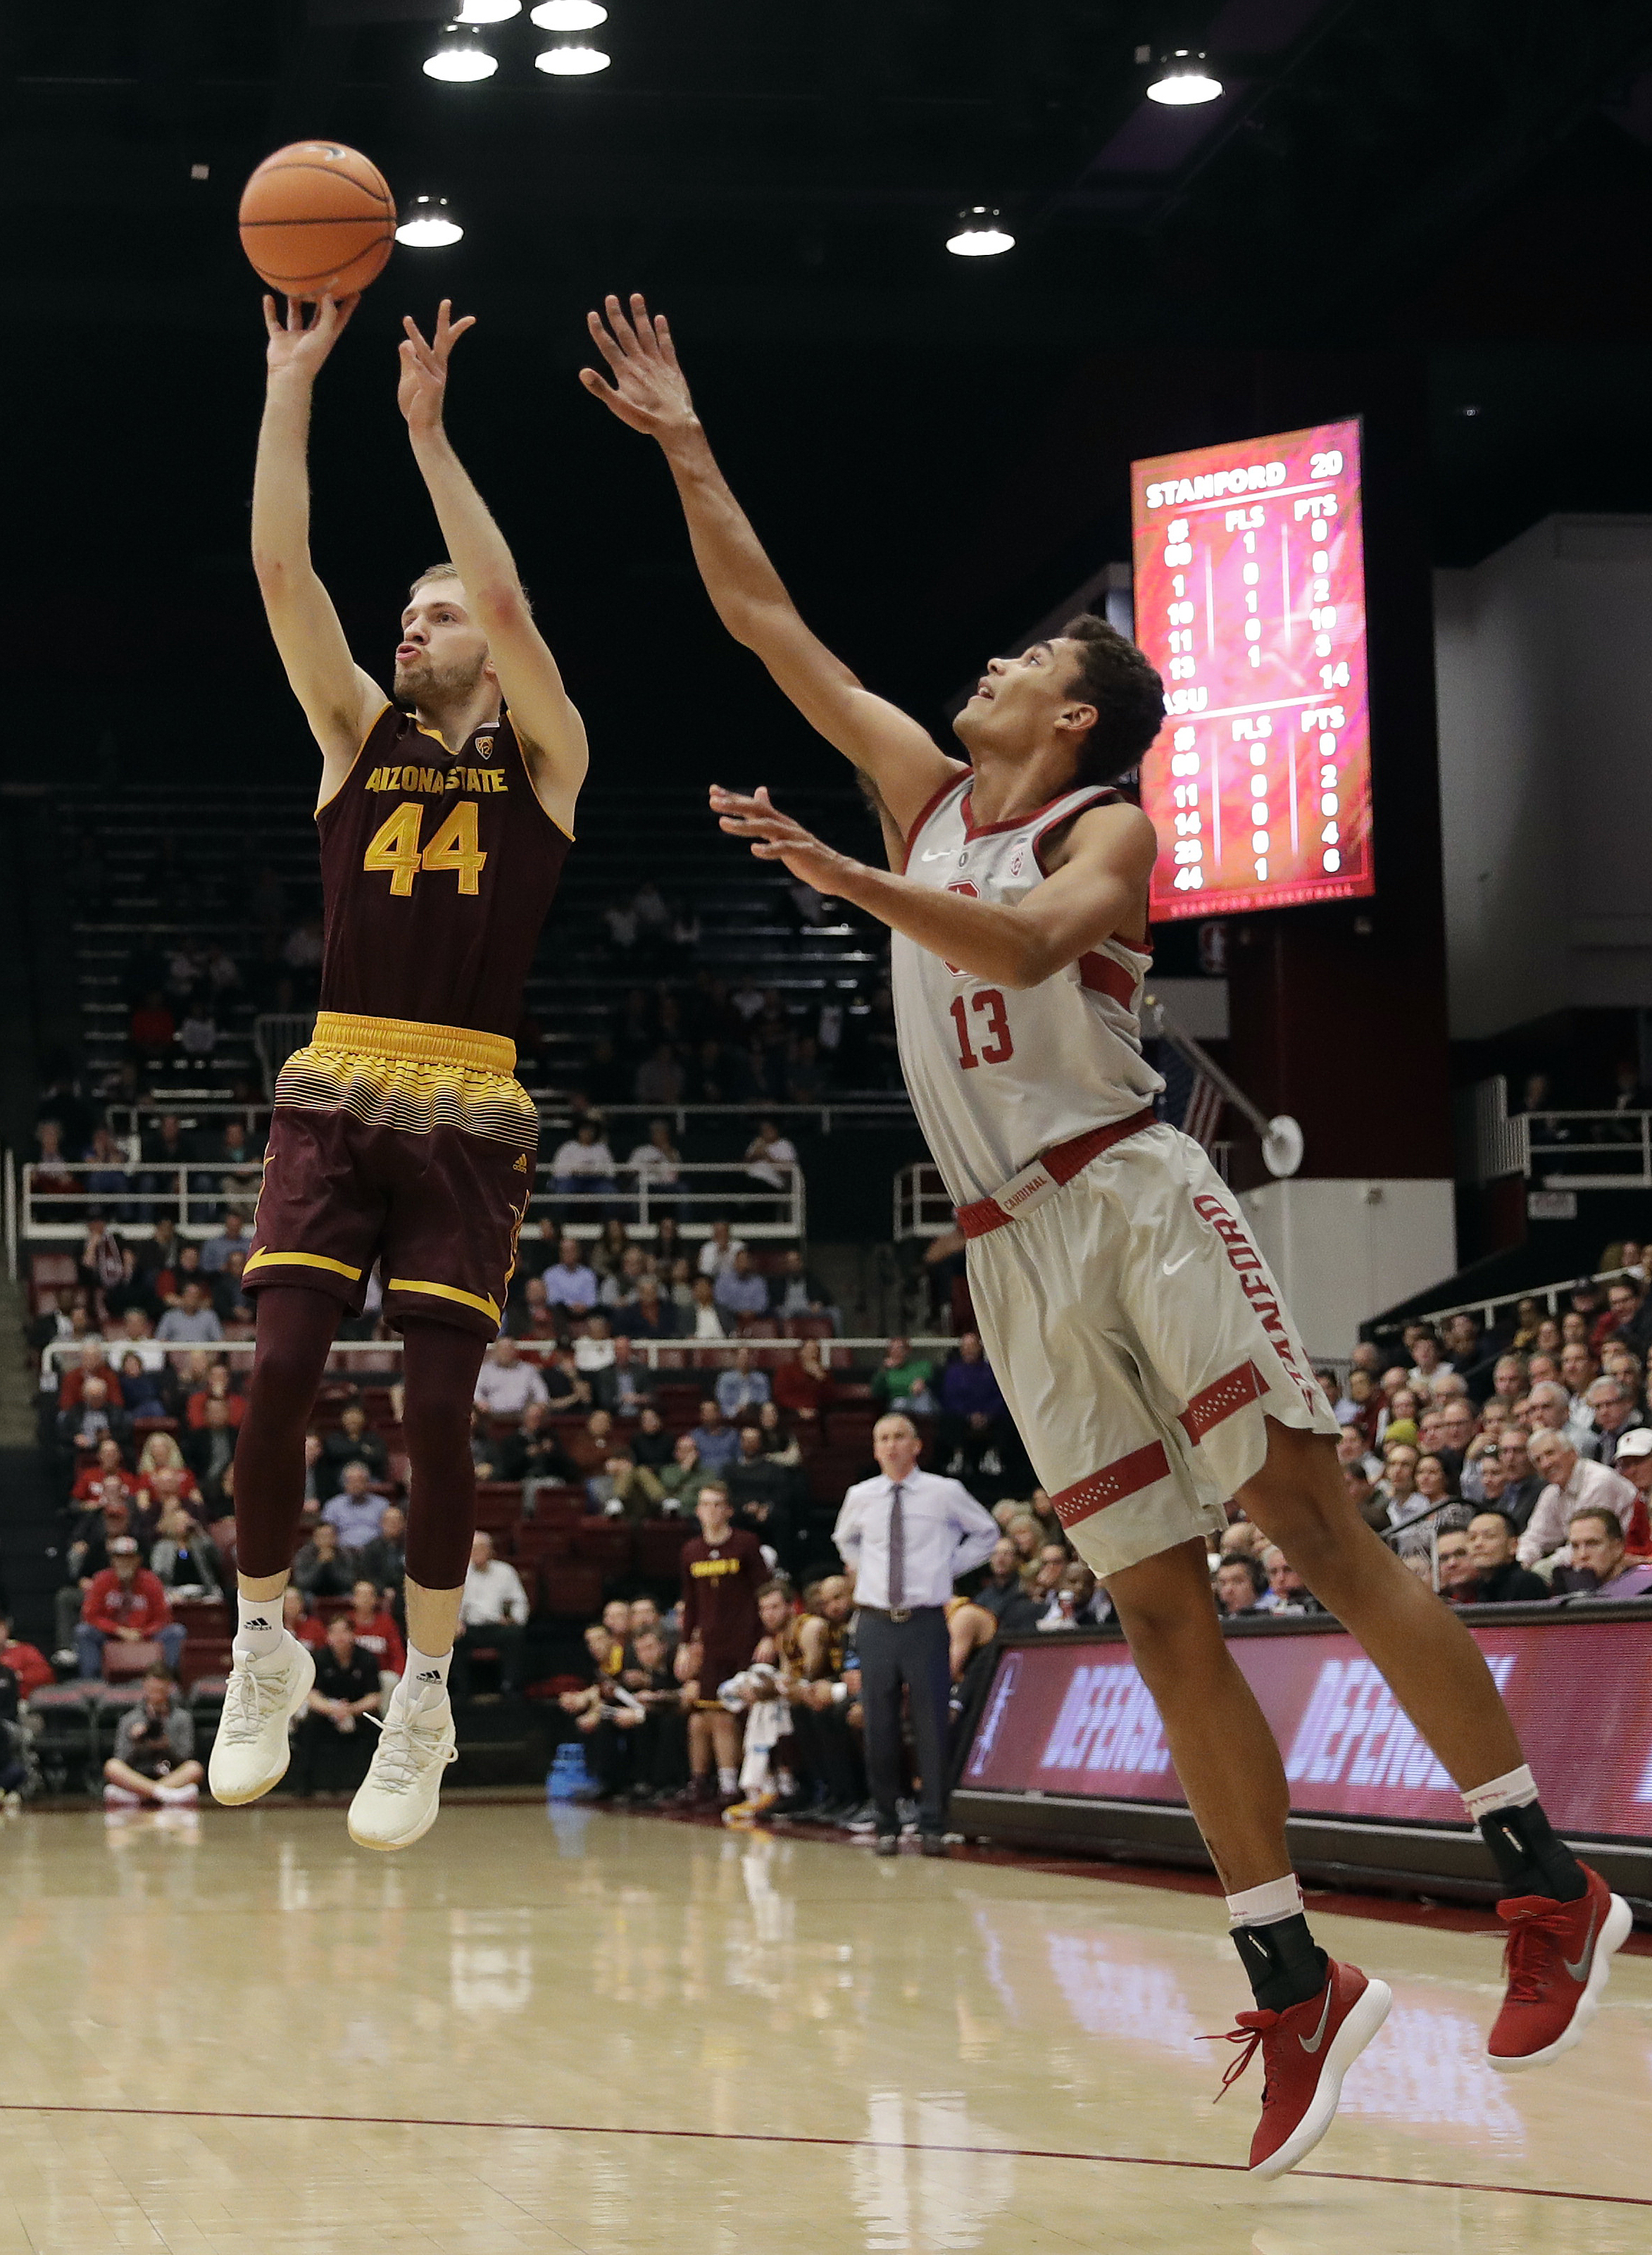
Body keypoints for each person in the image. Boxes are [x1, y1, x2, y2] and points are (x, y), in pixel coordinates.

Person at [580, 292, 1634, 2173]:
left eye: (1021, 657)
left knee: (1308, 1526)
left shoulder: (1110, 832)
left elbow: (1036, 950)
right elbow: (767, 621)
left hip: (1130, 1194)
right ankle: (1292, 1971)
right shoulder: (923, 787)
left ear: (1072, 714)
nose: (982, 665)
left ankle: (1540, 1880)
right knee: (1155, 1610)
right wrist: (682, 440)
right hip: (1006, 1253)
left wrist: (843, 879)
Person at [211, 287, 589, 1854]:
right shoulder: (352, 737)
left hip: (468, 1100)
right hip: (337, 1075)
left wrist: (431, 439)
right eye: (409, 612)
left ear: (486, 650)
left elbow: (500, 595)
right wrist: (293, 387)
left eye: (432, 615)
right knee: (279, 1378)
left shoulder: (548, 754)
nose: (408, 626)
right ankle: (262, 1645)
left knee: (439, 1413)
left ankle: (420, 1693)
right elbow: (281, 568)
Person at [831, 1413, 997, 1854]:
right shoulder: (860, 1495)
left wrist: (947, 1567)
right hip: (876, 1622)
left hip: (925, 1621)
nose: (891, 1446)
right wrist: (867, 1571)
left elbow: (987, 1532)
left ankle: (933, 1824)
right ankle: (886, 1821)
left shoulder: (945, 1492)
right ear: (874, 1448)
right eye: (882, 1438)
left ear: (916, 1445)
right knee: (878, 1726)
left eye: (899, 1437)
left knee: (931, 1724)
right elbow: (844, 1540)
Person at [676, 1484, 766, 1804]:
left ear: (729, 1510)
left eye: (718, 1505)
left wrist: (768, 1636)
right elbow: (691, 1603)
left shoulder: (745, 1544)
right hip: (711, 1646)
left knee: (733, 1714)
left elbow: (764, 1591)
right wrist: (686, 1644)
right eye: (705, 1505)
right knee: (704, 1716)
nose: (711, 1511)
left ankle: (736, 1785)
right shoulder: (690, 1552)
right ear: (697, 1511)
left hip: (744, 1641)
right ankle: (705, 1783)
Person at [1518, 1430, 1638, 1568]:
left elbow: (1586, 1544)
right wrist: (1521, 1562)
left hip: (1623, 1559)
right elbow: (1534, 1538)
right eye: (1538, 1460)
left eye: (1550, 1454)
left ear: (1572, 1454)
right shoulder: (1551, 1492)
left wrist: (1544, 1567)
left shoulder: (1598, 1482)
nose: (1546, 1464)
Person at [292, 1616, 382, 1797]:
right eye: (335, 1632)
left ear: (352, 1634)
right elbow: (313, 1695)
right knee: (308, 1727)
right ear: (328, 1636)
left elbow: (374, 1696)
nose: (340, 1637)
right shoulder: (319, 1658)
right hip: (327, 1711)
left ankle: (378, 1784)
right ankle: (304, 1786)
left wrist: (351, 1710)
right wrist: (334, 1710)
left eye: (344, 1632)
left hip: (358, 1710)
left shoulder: (367, 1659)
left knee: (378, 1729)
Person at [102, 1666, 204, 1808]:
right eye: (153, 1690)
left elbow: (187, 1756)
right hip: (138, 1775)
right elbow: (121, 1758)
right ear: (145, 1687)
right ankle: (163, 1795)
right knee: (112, 1766)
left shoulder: (183, 1718)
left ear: (169, 1688)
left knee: (195, 1768)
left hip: (171, 1776)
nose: (156, 1695)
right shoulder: (129, 1719)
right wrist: (135, 1742)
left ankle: (143, 1796)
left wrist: (168, 1745)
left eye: (160, 1691)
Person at [450, 1530, 530, 1694]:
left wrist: (513, 1619)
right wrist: (455, 1623)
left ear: (490, 1551)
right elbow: (452, 1604)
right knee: (452, 1638)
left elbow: (519, 1601)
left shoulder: (505, 1571)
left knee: (515, 1634)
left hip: (497, 1626)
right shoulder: (460, 1573)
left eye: (481, 1548)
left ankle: (510, 1686)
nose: (476, 1553)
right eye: (473, 1549)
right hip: (470, 1627)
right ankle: (461, 1690)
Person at [1553, 1507, 1652, 1599]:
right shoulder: (1566, 1592)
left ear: (1617, 1547)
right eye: (1575, 1546)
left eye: (1592, 1544)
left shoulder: (1645, 1589)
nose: (1582, 1555)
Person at [1462, 1512, 1551, 1604]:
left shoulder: (1526, 1583)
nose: (1478, 1544)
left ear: (1513, 1545)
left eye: (1489, 1536)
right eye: (1472, 1538)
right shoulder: (1478, 1587)